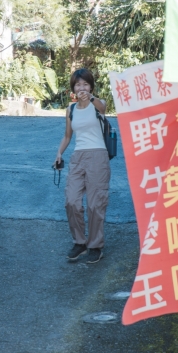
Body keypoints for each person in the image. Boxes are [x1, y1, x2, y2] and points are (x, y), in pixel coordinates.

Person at [54, 68, 110, 264]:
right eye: (78, 84)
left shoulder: (98, 104)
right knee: (72, 200)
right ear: (73, 88)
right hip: (78, 157)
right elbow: (68, 136)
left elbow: (103, 109)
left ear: (91, 86)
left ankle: (95, 246)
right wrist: (59, 152)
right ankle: (80, 242)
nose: (82, 87)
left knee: (96, 203)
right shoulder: (70, 109)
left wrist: (91, 97)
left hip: (98, 156)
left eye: (85, 84)